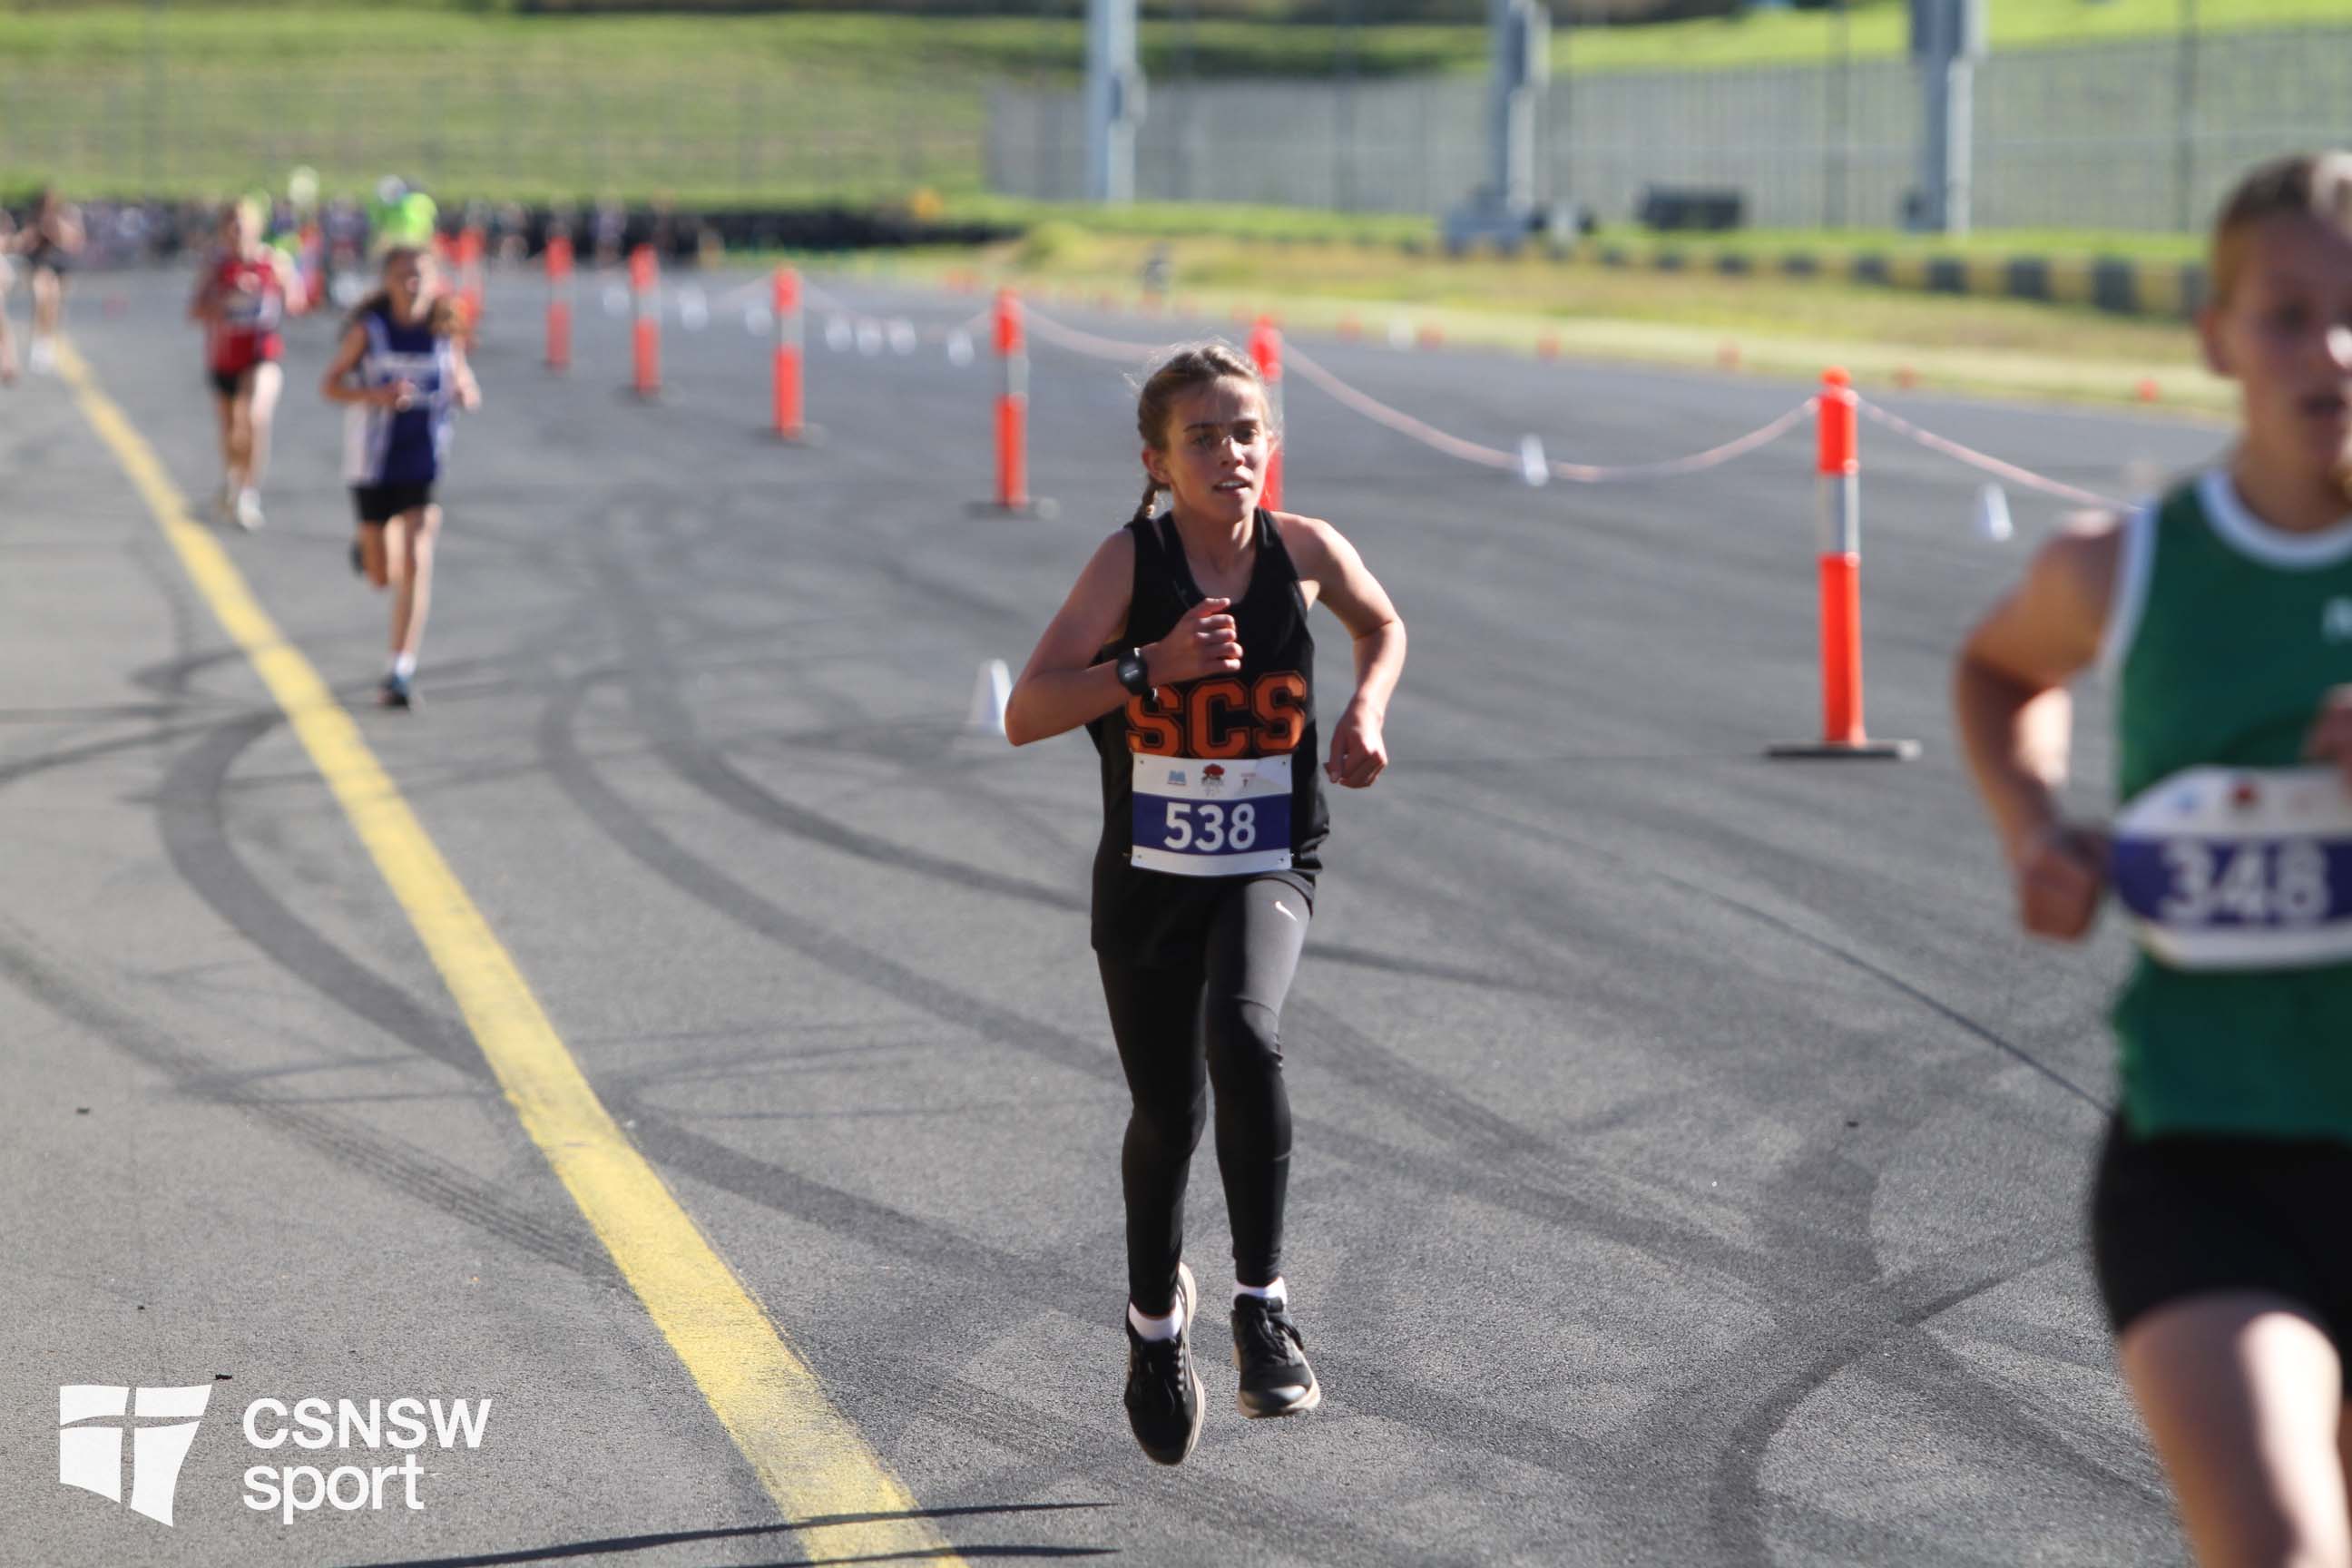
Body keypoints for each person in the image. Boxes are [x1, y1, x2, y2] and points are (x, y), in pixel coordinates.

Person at [1955, 151, 2352, 1568]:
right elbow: (1998, 673)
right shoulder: (2123, 568)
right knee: (2282, 1544)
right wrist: (2035, 826)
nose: (2333, 350)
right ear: (2217, 337)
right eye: (2290, 314)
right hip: (2207, 1160)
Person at [1004, 342, 1406, 1465]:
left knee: (1244, 1031)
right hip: (1148, 878)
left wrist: (1366, 710)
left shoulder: (1306, 549)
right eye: (1203, 438)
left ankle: (1262, 1308)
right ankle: (1152, 1327)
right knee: (1166, 1115)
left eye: (1246, 433)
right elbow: (1027, 711)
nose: (1230, 453)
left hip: (1269, 858)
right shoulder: (1128, 564)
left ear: (1270, 444)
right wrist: (1150, 667)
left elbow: (1382, 624)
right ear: (1159, 462)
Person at [319, 244, 480, 710]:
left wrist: (466, 392)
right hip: (372, 463)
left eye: (420, 276)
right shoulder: (369, 332)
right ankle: (367, 546)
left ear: (434, 281)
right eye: (403, 276)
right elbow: (330, 385)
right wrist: (377, 395)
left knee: (416, 556)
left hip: (423, 459)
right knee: (380, 575)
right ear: (386, 282)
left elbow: (464, 379)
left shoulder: (444, 329)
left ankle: (400, 669)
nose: (412, 284)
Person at [190, 199, 304, 531]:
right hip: (224, 355)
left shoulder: (274, 262)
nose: (237, 229)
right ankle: (232, 479)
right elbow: (195, 311)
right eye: (231, 223)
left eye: (243, 222)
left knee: (255, 417)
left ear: (257, 226)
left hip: (262, 354)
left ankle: (248, 494)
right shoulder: (215, 266)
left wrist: (281, 290)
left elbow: (297, 302)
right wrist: (225, 298)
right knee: (232, 429)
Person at [13, 186, 84, 376]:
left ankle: (47, 340)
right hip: (41, 265)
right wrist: (36, 232)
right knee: (41, 300)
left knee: (54, 305)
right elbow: (22, 243)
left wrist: (54, 228)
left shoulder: (66, 215)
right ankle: (39, 343)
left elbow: (73, 242)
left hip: (60, 266)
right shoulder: (35, 218)